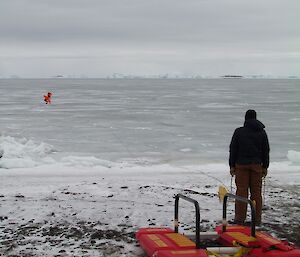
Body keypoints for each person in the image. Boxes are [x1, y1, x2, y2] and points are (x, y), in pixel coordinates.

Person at [229, 109, 270, 226]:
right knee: (256, 193)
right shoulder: (262, 132)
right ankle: (256, 219)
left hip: (241, 165)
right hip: (257, 166)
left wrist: (232, 165)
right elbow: (266, 151)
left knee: (241, 192)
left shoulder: (239, 132)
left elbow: (233, 149)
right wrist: (265, 166)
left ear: (245, 118)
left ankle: (239, 219)